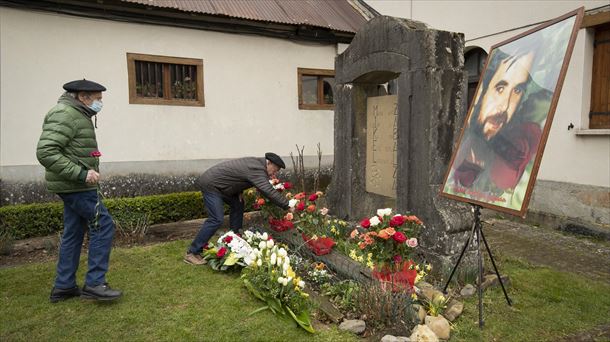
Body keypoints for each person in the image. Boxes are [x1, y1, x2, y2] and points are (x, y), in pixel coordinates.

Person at [37, 79, 122, 302]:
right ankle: (95, 284)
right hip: (76, 186)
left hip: (74, 185)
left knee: (74, 233)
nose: (100, 104)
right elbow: (46, 152)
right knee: (103, 226)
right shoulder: (66, 114)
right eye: (98, 99)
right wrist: (81, 173)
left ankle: (64, 286)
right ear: (83, 97)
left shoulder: (76, 114)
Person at [448, 46, 545, 206]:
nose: (505, 107)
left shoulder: (505, 162)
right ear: (480, 93)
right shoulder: (461, 156)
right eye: (500, 88)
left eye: (517, 90)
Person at [184, 153, 291, 265]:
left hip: (222, 186)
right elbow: (267, 190)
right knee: (216, 219)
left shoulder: (256, 164)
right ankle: (192, 252)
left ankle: (234, 239)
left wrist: (237, 191)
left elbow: (236, 175)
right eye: (275, 169)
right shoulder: (257, 168)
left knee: (238, 203)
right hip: (212, 185)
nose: (275, 172)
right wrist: (287, 205)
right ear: (269, 163)